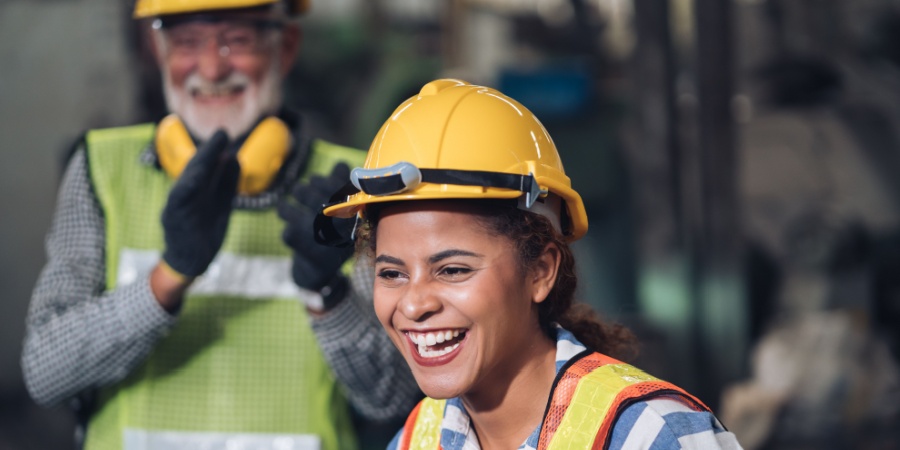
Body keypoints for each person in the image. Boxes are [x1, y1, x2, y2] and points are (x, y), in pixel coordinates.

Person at [21, 1, 420, 449]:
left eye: (237, 40)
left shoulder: (349, 189)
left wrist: (327, 293)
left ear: (285, 47)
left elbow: (393, 400)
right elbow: (45, 373)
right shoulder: (102, 168)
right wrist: (168, 276)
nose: (210, 68)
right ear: (158, 49)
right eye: (187, 42)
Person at [316, 79, 744, 450]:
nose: (413, 305)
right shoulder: (421, 437)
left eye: (453, 270)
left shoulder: (650, 436)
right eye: (391, 273)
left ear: (540, 271)